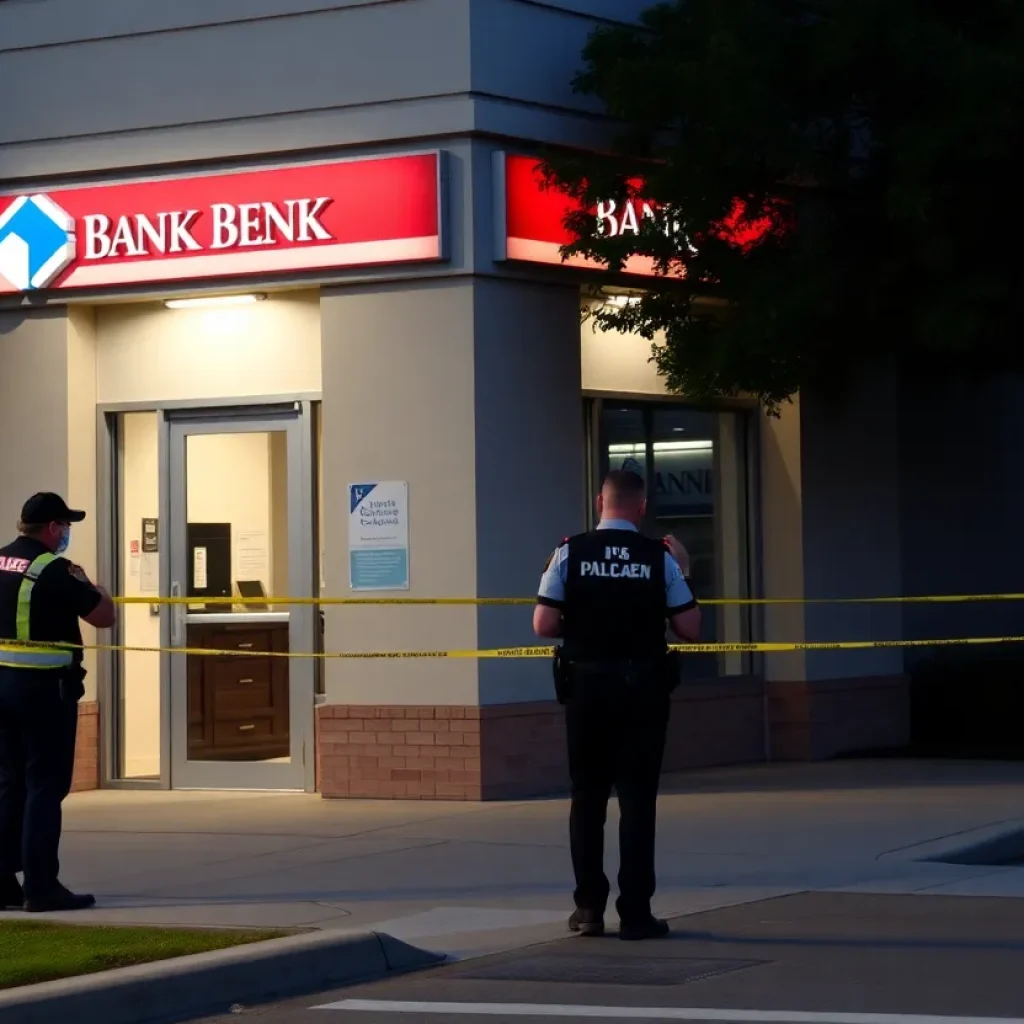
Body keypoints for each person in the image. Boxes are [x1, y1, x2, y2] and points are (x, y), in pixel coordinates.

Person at [534, 469, 702, 941]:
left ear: (599, 502)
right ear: (641, 507)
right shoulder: (659, 558)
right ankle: (635, 913)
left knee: (586, 798)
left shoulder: (569, 552)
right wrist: (685, 571)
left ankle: (588, 909)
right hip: (643, 693)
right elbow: (689, 628)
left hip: (586, 691)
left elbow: (543, 623)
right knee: (636, 800)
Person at [0, 493, 116, 912]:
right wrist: (93, 587)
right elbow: (104, 616)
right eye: (65, 526)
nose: (66, 533)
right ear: (52, 528)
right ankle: (42, 886)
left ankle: (3, 881)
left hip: (2, 689)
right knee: (45, 788)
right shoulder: (53, 569)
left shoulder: (0, 561)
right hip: (44, 692)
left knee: (9, 784)